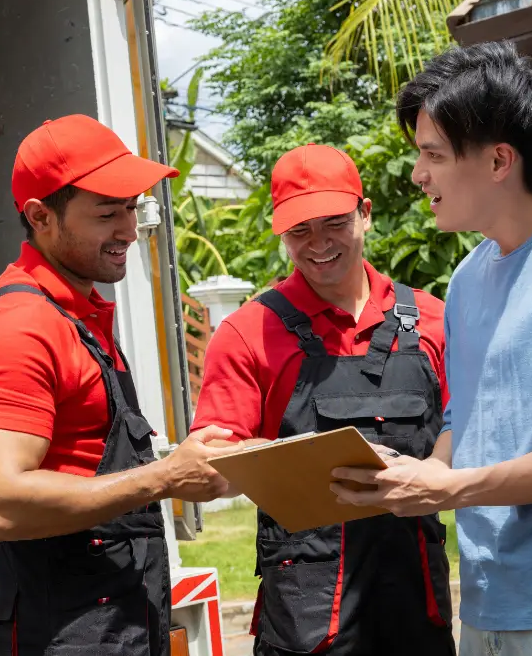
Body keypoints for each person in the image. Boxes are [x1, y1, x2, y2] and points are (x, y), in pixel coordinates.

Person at [332, 41, 532, 656]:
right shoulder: (466, 279)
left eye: (432, 154)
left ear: (500, 159)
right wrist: (424, 471)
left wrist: (455, 488)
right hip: (485, 602)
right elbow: (468, 420)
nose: (417, 174)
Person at [0, 114, 238, 656]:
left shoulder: (76, 317)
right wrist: (165, 477)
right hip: (57, 631)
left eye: (131, 209)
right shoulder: (17, 329)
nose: (129, 230)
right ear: (40, 217)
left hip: (108, 622)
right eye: (107, 213)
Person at [191, 143, 456, 656]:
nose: (318, 244)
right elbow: (212, 463)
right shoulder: (249, 332)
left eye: (334, 223)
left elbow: (466, 428)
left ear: (366, 214)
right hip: (306, 619)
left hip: (417, 608)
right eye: (299, 231)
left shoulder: (431, 319)